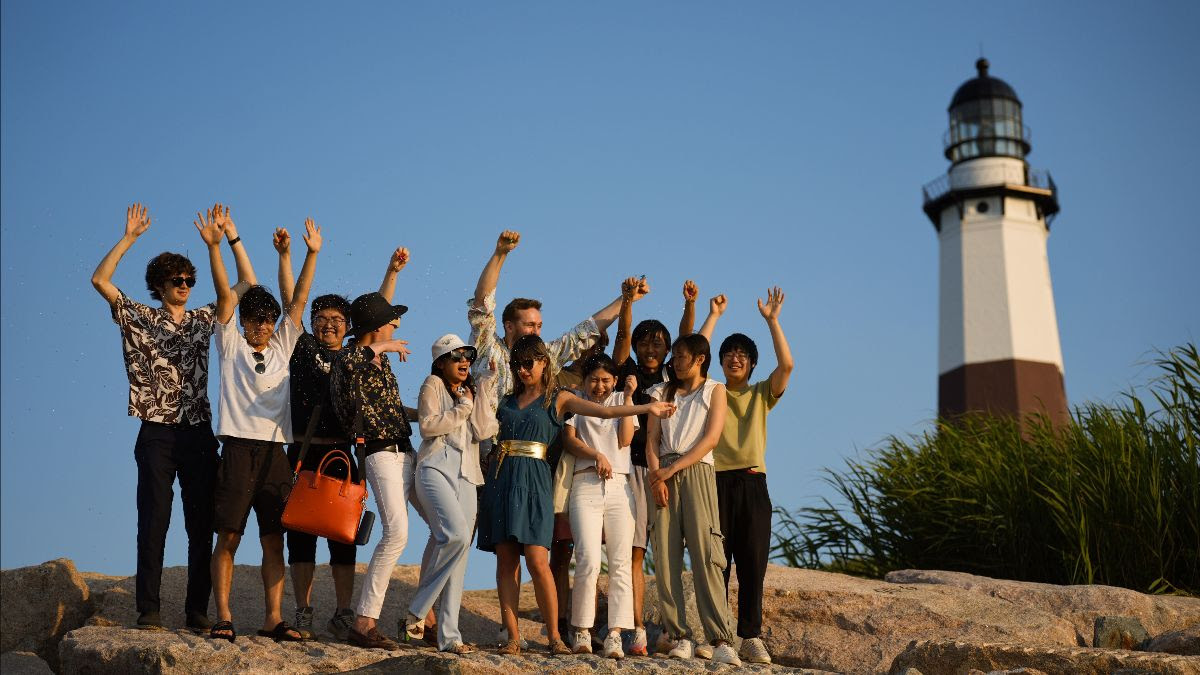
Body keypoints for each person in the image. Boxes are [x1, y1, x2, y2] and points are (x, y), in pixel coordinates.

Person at [91, 202, 254, 631]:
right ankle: (149, 609)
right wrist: (129, 237)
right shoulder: (140, 317)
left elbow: (246, 284)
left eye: (189, 279)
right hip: (157, 433)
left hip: (199, 432)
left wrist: (229, 238)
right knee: (154, 523)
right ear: (160, 286)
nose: (185, 284)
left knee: (200, 526)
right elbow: (100, 280)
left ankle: (197, 610)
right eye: (177, 280)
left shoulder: (204, 319)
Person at [467, 230, 631, 642]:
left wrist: (625, 300)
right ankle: (496, 631)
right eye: (529, 324)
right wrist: (500, 255)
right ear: (509, 326)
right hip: (487, 465)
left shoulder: (545, 359)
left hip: (539, 471)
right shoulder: (490, 349)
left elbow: (586, 330)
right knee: (482, 550)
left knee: (543, 556)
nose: (537, 330)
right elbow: (481, 303)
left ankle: (557, 634)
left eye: (540, 324)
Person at [477, 335, 675, 656]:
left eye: (529, 363)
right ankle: (513, 637)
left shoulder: (559, 399)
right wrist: (486, 381)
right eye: (517, 365)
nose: (523, 370)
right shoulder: (506, 400)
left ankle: (556, 636)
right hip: (504, 478)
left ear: (544, 363)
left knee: (539, 561)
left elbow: (604, 413)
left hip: (537, 478)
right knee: (506, 560)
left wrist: (645, 405)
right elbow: (483, 429)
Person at [279, 234, 411, 641]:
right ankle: (302, 612)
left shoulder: (357, 355)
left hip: (343, 453)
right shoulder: (300, 348)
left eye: (337, 319)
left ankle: (342, 611)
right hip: (303, 452)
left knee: (343, 537)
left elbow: (377, 321)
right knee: (300, 536)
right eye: (322, 319)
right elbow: (293, 302)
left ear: (349, 327)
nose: (329, 324)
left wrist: (391, 273)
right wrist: (295, 255)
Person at [204, 213, 321, 643]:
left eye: (267, 320)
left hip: (275, 451)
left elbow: (301, 297)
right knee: (230, 535)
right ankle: (224, 616)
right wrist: (217, 246)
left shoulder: (283, 346)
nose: (261, 327)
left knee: (275, 540)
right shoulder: (229, 343)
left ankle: (274, 617)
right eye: (254, 319)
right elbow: (223, 294)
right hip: (236, 448)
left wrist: (309, 253)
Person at [696, 287, 793, 665]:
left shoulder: (759, 394)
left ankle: (750, 636)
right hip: (713, 481)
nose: (735, 359)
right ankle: (716, 637)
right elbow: (694, 354)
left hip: (752, 482)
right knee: (716, 563)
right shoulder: (708, 391)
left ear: (752, 364)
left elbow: (786, 366)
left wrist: (772, 321)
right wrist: (714, 316)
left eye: (742, 355)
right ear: (718, 362)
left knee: (753, 562)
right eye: (728, 354)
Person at [645, 333, 742, 666]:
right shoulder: (660, 392)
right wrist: (658, 476)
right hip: (663, 471)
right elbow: (652, 441)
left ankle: (721, 638)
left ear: (700, 358)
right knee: (666, 554)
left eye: (681, 356)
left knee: (706, 552)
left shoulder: (715, 390)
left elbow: (711, 438)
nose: (674, 361)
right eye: (674, 355)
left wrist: (674, 471)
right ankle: (679, 635)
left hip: (697, 469)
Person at [329, 291, 415, 651]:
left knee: (450, 529)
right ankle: (364, 622)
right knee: (396, 533)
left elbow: (396, 411)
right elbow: (349, 368)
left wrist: (436, 410)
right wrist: (383, 347)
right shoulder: (348, 357)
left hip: (408, 452)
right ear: (377, 327)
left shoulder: (383, 362)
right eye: (392, 320)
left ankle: (424, 614)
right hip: (379, 455)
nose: (397, 324)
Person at [403, 334, 497, 654]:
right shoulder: (433, 384)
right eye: (456, 356)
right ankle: (418, 610)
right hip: (434, 469)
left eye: (467, 357)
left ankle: (450, 637)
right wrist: (462, 408)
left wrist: (483, 389)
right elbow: (428, 427)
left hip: (468, 476)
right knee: (455, 536)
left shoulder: (469, 391)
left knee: (460, 557)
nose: (464, 362)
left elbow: (484, 431)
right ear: (441, 362)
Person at [609, 280, 684, 655]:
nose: (649, 348)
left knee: (670, 550)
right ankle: (637, 628)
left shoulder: (674, 376)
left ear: (668, 349)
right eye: (644, 342)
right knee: (635, 551)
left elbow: (689, 341)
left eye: (657, 343)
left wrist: (691, 305)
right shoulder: (626, 373)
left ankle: (673, 630)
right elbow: (622, 333)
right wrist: (626, 301)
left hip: (668, 470)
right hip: (633, 469)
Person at [562, 354, 640, 659]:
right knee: (588, 559)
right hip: (585, 482)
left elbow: (624, 440)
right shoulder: (575, 401)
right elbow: (569, 440)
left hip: (620, 485)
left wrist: (630, 396)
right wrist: (595, 455)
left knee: (620, 562)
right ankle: (581, 630)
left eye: (606, 380)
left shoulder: (623, 399)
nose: (599, 386)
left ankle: (616, 634)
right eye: (594, 379)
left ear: (615, 381)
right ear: (584, 381)